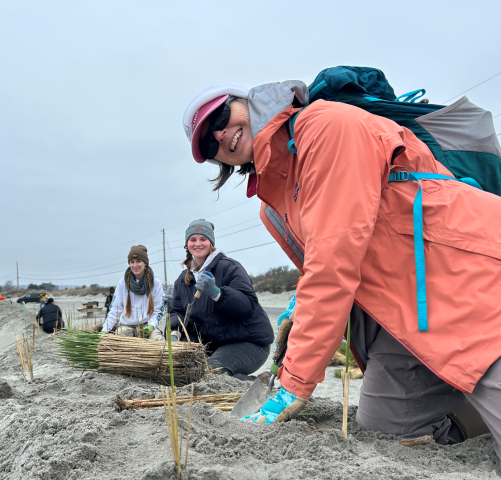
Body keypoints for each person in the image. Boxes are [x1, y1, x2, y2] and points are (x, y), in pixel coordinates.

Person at [182, 81, 501, 456]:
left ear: (245, 102)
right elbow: (330, 254)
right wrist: (297, 309)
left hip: (463, 280)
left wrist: (294, 383)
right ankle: (476, 420)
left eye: (220, 116)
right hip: (403, 314)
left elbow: (333, 262)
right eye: (208, 144)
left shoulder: (324, 127)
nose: (220, 134)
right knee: (389, 427)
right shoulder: (275, 201)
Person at [167, 219, 274, 381]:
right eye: (193, 239)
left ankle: (263, 387)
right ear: (187, 245)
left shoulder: (229, 267)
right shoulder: (183, 280)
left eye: (203, 239)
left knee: (212, 373)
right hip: (215, 343)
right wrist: (175, 331)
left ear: (211, 242)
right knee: (184, 374)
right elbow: (177, 311)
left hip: (249, 342)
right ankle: (256, 379)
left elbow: (247, 306)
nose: (198, 244)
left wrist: (217, 293)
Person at [102, 245, 164, 338]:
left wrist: (151, 326)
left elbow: (158, 310)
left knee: (158, 340)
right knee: (119, 339)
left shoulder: (156, 283)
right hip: (127, 326)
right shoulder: (122, 283)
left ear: (145, 263)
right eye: (132, 262)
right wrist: (104, 331)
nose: (135, 266)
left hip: (147, 325)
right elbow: (114, 310)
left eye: (138, 261)